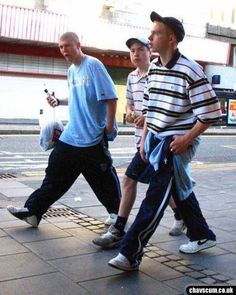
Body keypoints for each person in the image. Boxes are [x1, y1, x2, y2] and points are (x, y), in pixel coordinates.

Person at [108, 12, 222, 271]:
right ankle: (202, 234)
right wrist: (144, 139)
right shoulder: (156, 68)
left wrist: (185, 139)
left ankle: (130, 253)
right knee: (156, 182)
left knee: (156, 196)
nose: (150, 37)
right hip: (153, 139)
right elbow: (149, 108)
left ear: (171, 38)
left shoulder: (191, 70)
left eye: (155, 33)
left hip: (174, 142)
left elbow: (211, 113)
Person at [7, 32, 121, 227]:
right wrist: (58, 101)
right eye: (61, 47)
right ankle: (33, 212)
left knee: (102, 178)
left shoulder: (93, 66)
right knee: (55, 173)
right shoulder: (71, 71)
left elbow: (111, 98)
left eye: (68, 45)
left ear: (78, 45)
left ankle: (117, 214)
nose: (64, 50)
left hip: (93, 136)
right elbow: (77, 97)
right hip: (71, 135)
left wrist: (109, 127)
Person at [93, 36, 184, 249]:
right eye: (132, 50)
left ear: (149, 51)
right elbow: (130, 104)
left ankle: (118, 229)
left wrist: (148, 117)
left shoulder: (158, 72)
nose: (135, 54)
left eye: (140, 49)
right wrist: (132, 113)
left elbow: (163, 106)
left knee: (129, 178)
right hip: (140, 139)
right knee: (159, 182)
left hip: (157, 139)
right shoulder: (132, 77)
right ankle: (184, 216)